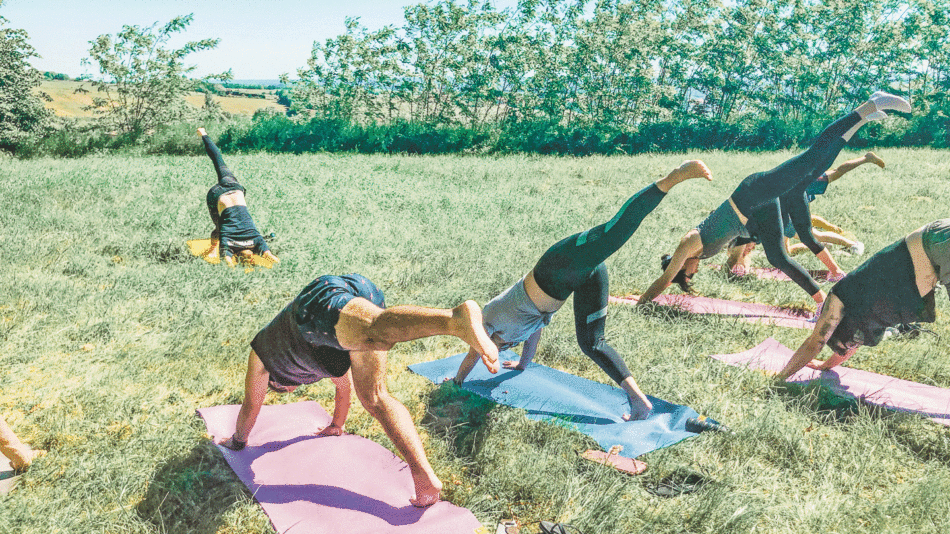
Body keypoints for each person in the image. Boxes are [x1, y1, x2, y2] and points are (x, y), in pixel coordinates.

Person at [452, 161, 714, 421]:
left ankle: (672, 178)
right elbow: (535, 331)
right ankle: (639, 402)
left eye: (496, 348)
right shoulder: (511, 331)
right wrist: (522, 364)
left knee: (612, 233)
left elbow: (477, 350)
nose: (500, 349)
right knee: (592, 343)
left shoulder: (486, 324)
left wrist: (458, 381)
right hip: (581, 277)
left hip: (558, 265)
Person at [217, 273, 498, 508]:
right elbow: (344, 389)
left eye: (284, 390)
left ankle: (453, 319)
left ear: (276, 385)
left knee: (376, 328)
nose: (291, 390)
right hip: (358, 296)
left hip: (314, 305)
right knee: (376, 397)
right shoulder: (313, 369)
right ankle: (424, 477)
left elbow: (251, 406)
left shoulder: (262, 357)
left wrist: (238, 442)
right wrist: (336, 425)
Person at [638, 94, 910, 308]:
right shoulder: (700, 252)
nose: (694, 271)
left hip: (751, 194)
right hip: (757, 210)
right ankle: (822, 303)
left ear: (679, 265)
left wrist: (640, 303)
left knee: (812, 159)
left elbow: (663, 280)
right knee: (779, 254)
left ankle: (869, 106)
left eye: (688, 274)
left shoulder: (688, 244)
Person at [775, 219, 948, 380]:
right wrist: (825, 365)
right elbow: (847, 349)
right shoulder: (863, 324)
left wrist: (779, 378)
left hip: (936, 242)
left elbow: (815, 343)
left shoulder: (841, 298)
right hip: (935, 243)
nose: (851, 344)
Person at [726, 152, 885, 272]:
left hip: (793, 190)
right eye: (748, 252)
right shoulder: (746, 236)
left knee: (834, 174)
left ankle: (853, 244)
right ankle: (828, 247)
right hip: (781, 215)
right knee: (801, 242)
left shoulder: (746, 231)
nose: (750, 250)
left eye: (747, 249)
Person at [198, 127, 279, 267]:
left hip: (236, 189)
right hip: (217, 195)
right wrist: (232, 265)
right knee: (219, 228)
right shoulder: (227, 245)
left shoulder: (257, 241)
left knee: (219, 161)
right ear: (237, 257)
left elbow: (272, 258)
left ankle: (204, 134)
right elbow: (228, 262)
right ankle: (212, 250)